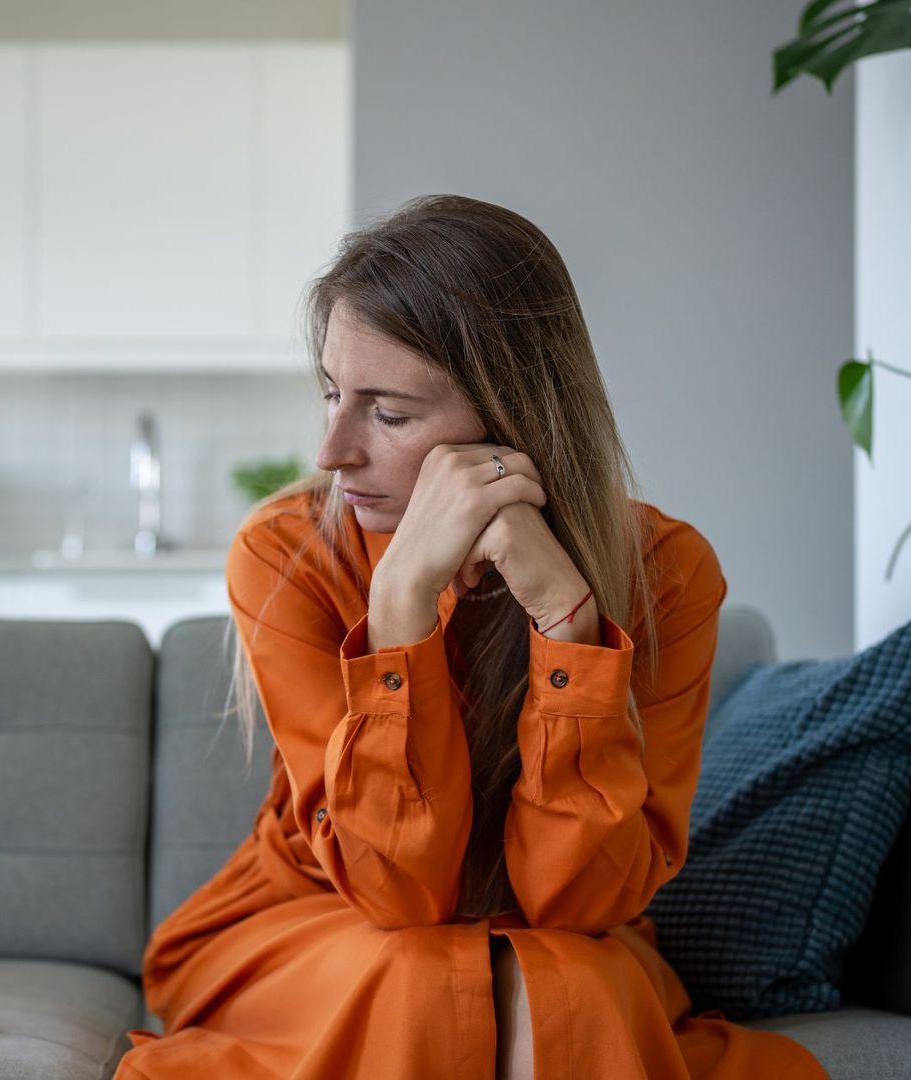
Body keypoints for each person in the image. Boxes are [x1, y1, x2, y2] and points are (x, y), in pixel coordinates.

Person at [112, 195, 826, 1079]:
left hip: (557, 937)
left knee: (567, 992)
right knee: (429, 983)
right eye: (332, 394)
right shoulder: (286, 552)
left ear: (513, 415)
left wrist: (569, 628)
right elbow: (395, 887)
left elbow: (584, 899)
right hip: (315, 920)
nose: (333, 450)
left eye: (389, 414)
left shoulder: (667, 573)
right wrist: (400, 605)